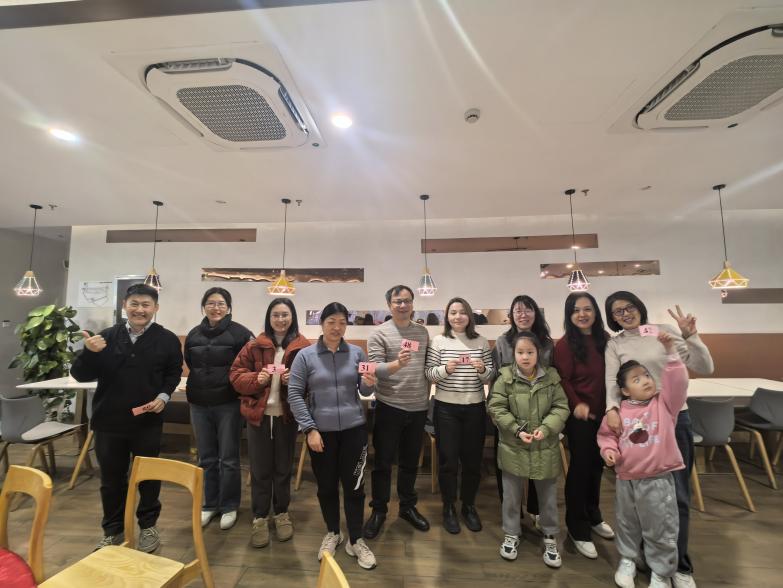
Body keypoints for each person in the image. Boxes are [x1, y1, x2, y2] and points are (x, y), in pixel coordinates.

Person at [604, 292, 713, 588]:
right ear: (612, 318)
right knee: (638, 500)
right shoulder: (615, 344)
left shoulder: (664, 331)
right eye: (617, 312)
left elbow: (705, 367)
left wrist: (691, 336)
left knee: (677, 498)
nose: (625, 314)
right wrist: (611, 409)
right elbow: (612, 381)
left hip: (673, 418)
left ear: (639, 307)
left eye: (629, 307)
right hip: (635, 423)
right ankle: (644, 558)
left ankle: (678, 565)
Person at [71, 284, 182, 552]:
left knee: (149, 477)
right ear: (124, 305)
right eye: (134, 304)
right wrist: (89, 353)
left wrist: (164, 396)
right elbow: (80, 375)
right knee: (111, 480)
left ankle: (148, 526)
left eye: (146, 305)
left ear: (155, 308)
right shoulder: (106, 337)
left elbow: (173, 373)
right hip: (109, 422)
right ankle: (113, 530)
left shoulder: (166, 339)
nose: (139, 310)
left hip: (147, 421)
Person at [287, 302, 378, 570]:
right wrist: (310, 429)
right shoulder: (305, 356)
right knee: (326, 486)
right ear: (322, 324)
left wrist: (369, 383)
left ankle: (356, 539)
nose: (337, 328)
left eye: (342, 322)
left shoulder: (357, 353)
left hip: (354, 430)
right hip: (321, 433)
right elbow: (295, 394)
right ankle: (333, 532)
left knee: (355, 486)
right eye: (331, 322)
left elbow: (364, 391)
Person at [598, 332, 688, 588]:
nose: (646, 381)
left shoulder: (664, 405)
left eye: (647, 376)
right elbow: (607, 437)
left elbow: (678, 383)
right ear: (625, 390)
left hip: (657, 479)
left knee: (661, 526)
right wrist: (608, 451)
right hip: (626, 479)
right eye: (636, 379)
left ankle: (661, 571)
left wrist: (671, 353)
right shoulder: (618, 412)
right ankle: (628, 558)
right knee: (627, 523)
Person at [229, 298, 310, 548]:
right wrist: (258, 378)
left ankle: (282, 512)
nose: (281, 319)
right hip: (258, 417)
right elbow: (235, 376)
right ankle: (260, 516)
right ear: (269, 318)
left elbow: (313, 382)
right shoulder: (254, 345)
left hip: (287, 417)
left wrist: (294, 381)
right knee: (260, 469)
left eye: (285, 315)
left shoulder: (303, 347)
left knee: (283, 468)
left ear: (292, 317)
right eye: (276, 315)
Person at [488, 330, 569, 568]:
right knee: (511, 496)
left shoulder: (551, 377)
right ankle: (511, 533)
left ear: (538, 353)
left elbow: (561, 407)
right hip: (513, 446)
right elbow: (497, 407)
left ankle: (550, 536)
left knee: (548, 497)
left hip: (544, 446)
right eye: (520, 352)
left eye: (530, 352)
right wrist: (515, 429)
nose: (525, 357)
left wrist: (546, 428)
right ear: (513, 354)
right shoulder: (505, 377)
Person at [363, 285, 430, 540]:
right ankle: (379, 510)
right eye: (397, 301)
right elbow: (375, 368)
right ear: (389, 305)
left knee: (410, 463)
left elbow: (426, 366)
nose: (402, 305)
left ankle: (407, 507)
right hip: (389, 406)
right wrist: (397, 363)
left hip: (418, 407)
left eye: (407, 301)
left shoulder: (422, 332)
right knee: (382, 463)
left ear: (413, 304)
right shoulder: (379, 333)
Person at [184, 287, 252, 532]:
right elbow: (190, 362)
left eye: (221, 303)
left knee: (229, 458)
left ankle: (229, 505)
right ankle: (210, 504)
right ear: (204, 306)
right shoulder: (193, 334)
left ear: (228, 307)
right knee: (206, 457)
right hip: (198, 403)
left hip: (228, 403)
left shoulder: (241, 333)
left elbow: (249, 366)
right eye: (211, 303)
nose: (216, 307)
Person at [553, 293, 614, 560]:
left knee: (597, 467)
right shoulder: (565, 344)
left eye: (587, 309)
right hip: (580, 417)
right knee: (580, 469)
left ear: (596, 312)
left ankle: (593, 514)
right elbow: (562, 379)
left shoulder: (606, 339)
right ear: (569, 315)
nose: (582, 314)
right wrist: (576, 403)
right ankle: (577, 528)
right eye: (576, 310)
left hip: (605, 415)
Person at [425, 297, 494, 534]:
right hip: (446, 409)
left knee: (473, 461)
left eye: (462, 312)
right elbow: (429, 374)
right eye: (453, 312)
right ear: (447, 316)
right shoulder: (438, 341)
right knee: (448, 462)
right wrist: (446, 369)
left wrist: (483, 369)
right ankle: (448, 507)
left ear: (469, 316)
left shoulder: (481, 341)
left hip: (475, 407)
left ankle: (468, 506)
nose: (457, 317)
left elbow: (490, 376)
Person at [490, 295, 554, 523]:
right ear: (511, 315)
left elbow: (552, 377)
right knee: (506, 462)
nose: (523, 314)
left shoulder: (547, 343)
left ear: (536, 313)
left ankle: (536, 510)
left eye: (528, 310)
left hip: (540, 410)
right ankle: (512, 512)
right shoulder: (502, 342)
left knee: (539, 460)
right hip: (508, 412)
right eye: (517, 310)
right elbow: (495, 376)